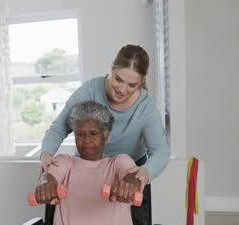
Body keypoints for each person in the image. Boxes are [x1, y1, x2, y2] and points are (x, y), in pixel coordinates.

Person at [40, 44, 169, 195]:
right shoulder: (89, 90)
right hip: (87, 166)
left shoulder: (146, 107)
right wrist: (46, 154)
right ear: (111, 69)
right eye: (118, 79)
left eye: (131, 85)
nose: (122, 89)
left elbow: (160, 151)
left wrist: (146, 172)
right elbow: (59, 128)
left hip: (129, 174)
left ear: (140, 83)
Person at [33, 101, 148, 225]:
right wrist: (46, 184)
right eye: (80, 134)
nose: (86, 140)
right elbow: (48, 176)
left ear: (106, 134)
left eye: (93, 133)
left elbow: (133, 175)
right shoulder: (66, 162)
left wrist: (128, 185)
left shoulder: (119, 161)